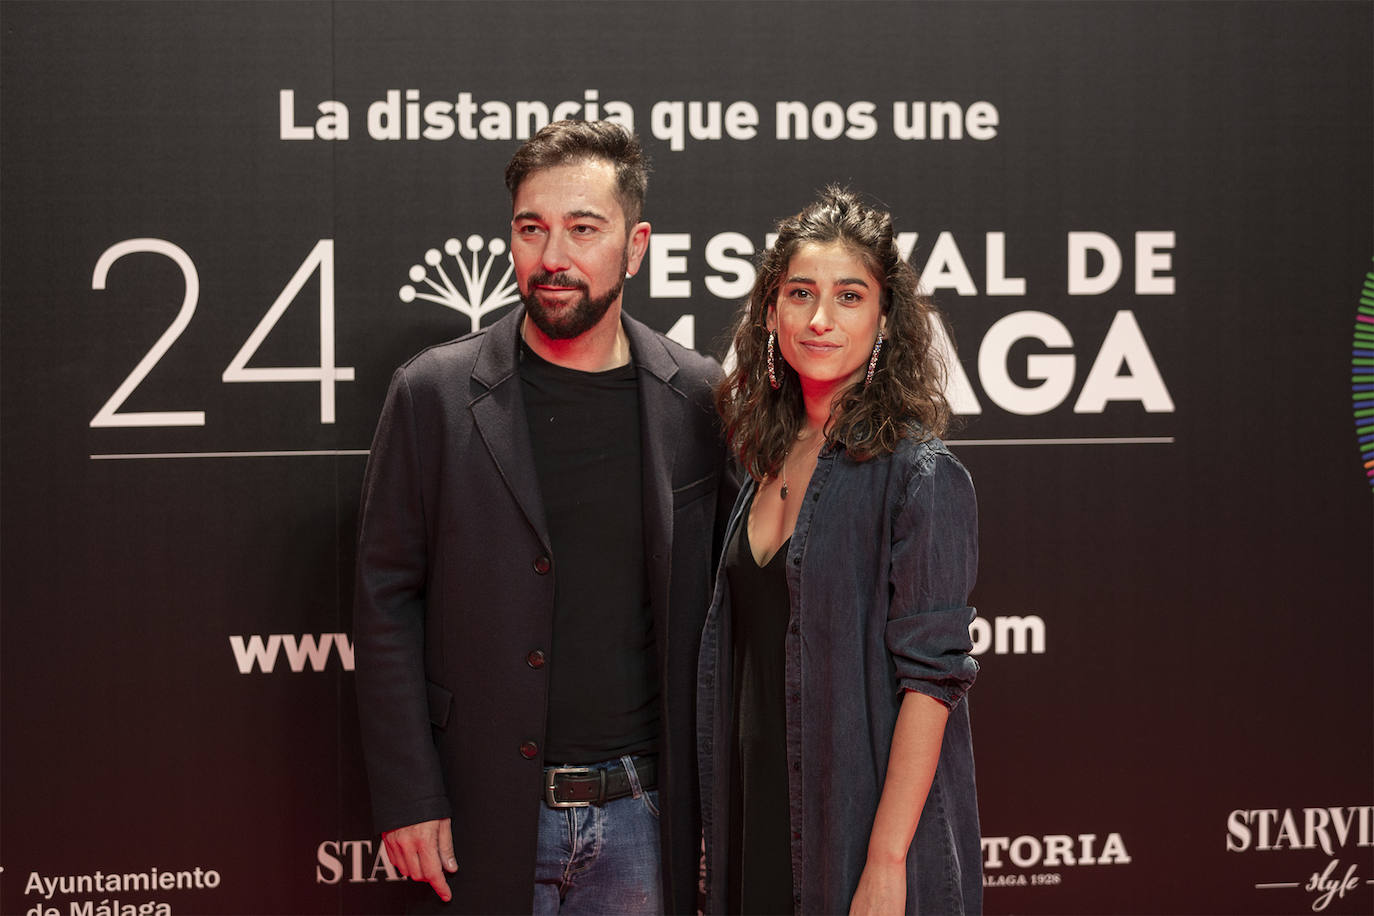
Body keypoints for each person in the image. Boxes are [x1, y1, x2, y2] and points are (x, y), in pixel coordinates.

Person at [354, 120, 733, 914]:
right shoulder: (433, 394)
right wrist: (407, 793)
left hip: (644, 819)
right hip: (479, 815)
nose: (552, 256)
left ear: (636, 248)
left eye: (583, 229)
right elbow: (385, 601)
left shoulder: (698, 398)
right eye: (531, 229)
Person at [697, 187, 982, 914]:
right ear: (771, 312)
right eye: (800, 294)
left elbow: (930, 684)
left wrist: (885, 865)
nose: (820, 319)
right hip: (760, 826)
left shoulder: (919, 476)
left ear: (884, 319)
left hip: (860, 840)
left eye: (849, 296)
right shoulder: (762, 458)